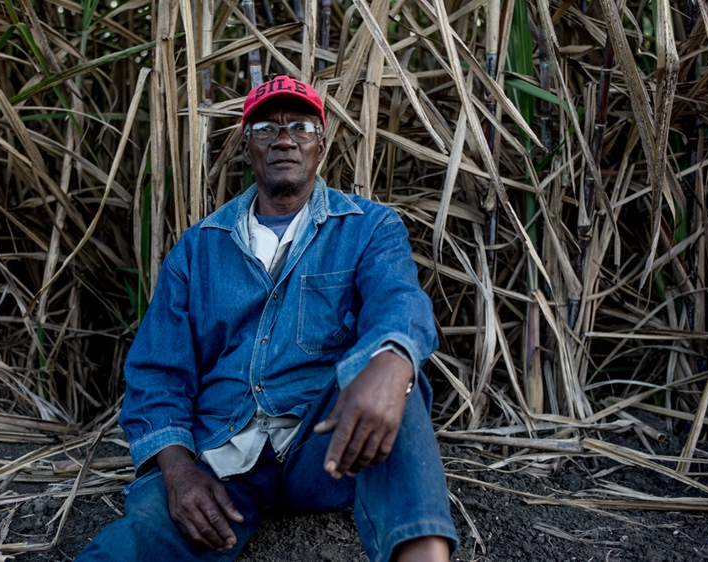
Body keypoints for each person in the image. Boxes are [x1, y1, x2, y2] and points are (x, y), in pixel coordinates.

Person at [75, 76, 458, 562]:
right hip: (223, 457)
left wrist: (392, 361)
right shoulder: (198, 248)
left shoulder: (369, 227)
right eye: (265, 128)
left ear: (321, 144)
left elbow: (398, 300)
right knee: (135, 541)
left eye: (300, 126)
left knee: (398, 381)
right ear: (245, 147)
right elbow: (156, 373)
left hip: (324, 450)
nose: (283, 139)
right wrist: (177, 470)